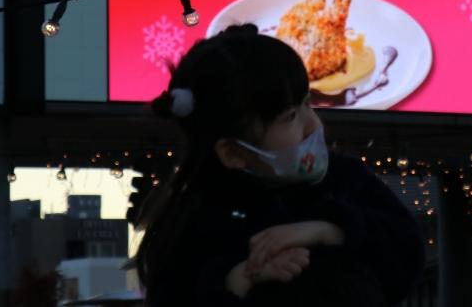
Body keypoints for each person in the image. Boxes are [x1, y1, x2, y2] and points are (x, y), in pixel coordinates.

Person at [135, 24, 425, 306]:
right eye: (290, 117)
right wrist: (238, 280)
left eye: (307, 103)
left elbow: (407, 254)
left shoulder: (344, 178)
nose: (314, 125)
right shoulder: (194, 221)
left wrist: (330, 229)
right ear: (233, 152)